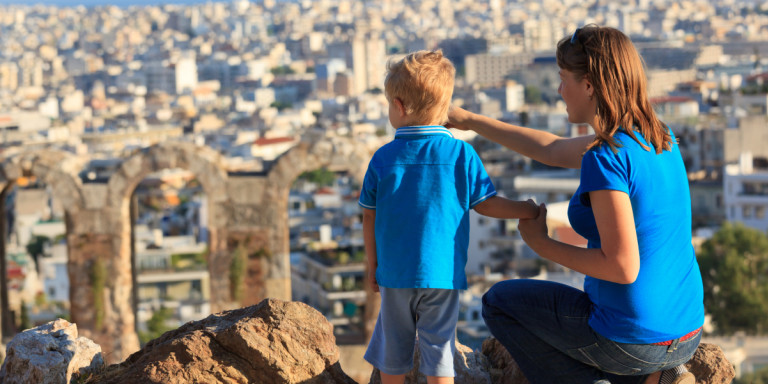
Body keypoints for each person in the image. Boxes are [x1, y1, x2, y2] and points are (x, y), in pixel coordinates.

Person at [446, 25, 704, 384]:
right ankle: (659, 377)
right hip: (686, 331)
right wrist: (468, 120)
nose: (558, 89)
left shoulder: (606, 157)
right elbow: (548, 149)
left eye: (563, 77)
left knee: (499, 304)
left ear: (589, 85)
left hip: (634, 337)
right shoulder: (657, 136)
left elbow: (622, 267)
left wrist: (542, 245)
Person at [359, 49, 539, 384]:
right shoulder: (461, 153)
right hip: (442, 273)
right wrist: (527, 210)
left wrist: (373, 265)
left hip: (395, 273)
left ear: (398, 107)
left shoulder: (382, 158)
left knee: (393, 352)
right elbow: (487, 204)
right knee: (440, 352)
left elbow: (368, 217)